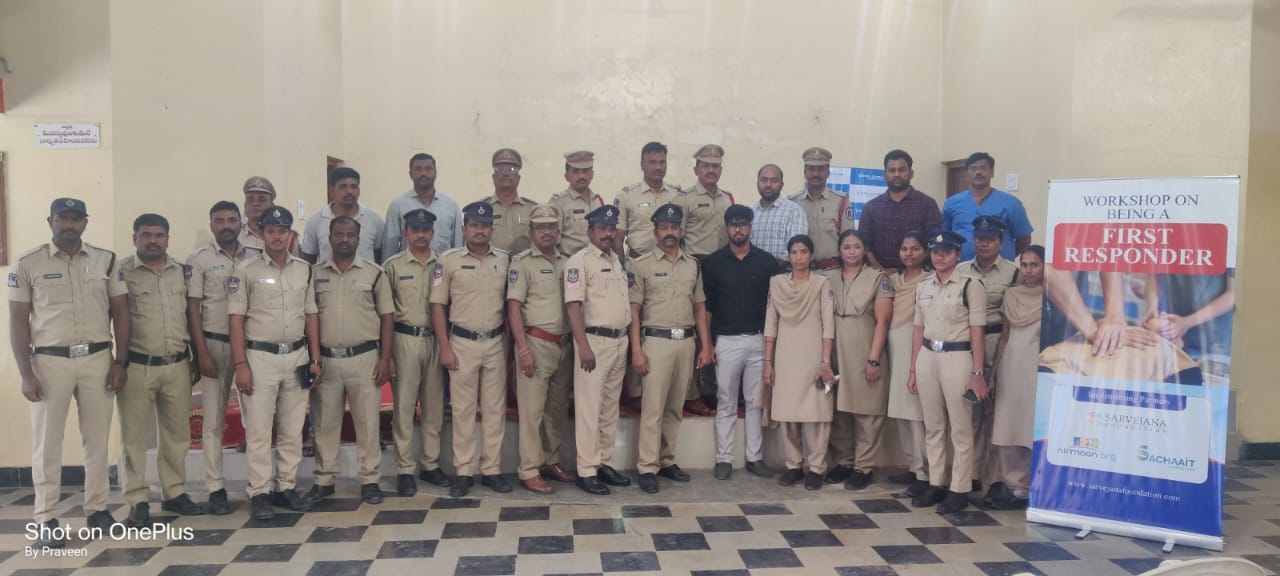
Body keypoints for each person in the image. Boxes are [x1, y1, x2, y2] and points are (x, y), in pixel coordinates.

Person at [9, 198, 129, 547]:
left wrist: (120, 361)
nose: (69, 224)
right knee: (47, 443)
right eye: (63, 217)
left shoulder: (105, 260)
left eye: (76, 219)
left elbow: (121, 313)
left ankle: (98, 509)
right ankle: (46, 517)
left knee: (98, 439)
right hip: (49, 363)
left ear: (85, 222)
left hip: (97, 359)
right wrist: (26, 373)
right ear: (50, 221)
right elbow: (18, 321)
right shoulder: (28, 262)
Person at [227, 206, 317, 520]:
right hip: (259, 358)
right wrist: (240, 364)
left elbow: (311, 315)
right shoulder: (245, 270)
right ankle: (260, 491)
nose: (277, 236)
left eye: (282, 231)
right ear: (262, 234)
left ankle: (286, 487)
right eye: (271, 231)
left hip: (296, 356)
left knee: (292, 429)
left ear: (290, 234)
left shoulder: (303, 269)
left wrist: (315, 358)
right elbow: (235, 320)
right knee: (259, 431)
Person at [118, 213, 202, 528]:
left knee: (177, 435)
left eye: (159, 235)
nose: (153, 241)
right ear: (135, 238)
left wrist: (196, 357)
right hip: (137, 365)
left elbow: (191, 316)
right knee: (134, 437)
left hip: (177, 364)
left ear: (168, 238)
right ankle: (137, 500)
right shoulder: (121, 273)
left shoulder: (181, 272)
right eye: (146, 235)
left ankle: (174, 491)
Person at [305, 217, 394, 505]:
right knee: (324, 423)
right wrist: (314, 358)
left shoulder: (375, 273)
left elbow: (387, 318)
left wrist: (385, 358)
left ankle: (369, 480)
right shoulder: (313, 274)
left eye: (350, 235)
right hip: (327, 359)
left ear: (358, 238)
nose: (344, 240)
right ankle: (324, 479)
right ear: (329, 237)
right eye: (339, 234)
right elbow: (309, 317)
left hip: (364, 358)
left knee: (367, 422)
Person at [629, 204, 713, 494]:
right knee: (652, 409)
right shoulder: (641, 265)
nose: (669, 232)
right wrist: (636, 350)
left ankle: (666, 461)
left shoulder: (692, 265)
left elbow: (699, 307)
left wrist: (705, 345)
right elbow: (634, 310)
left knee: (675, 407)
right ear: (655, 232)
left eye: (674, 227)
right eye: (664, 227)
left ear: (680, 230)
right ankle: (647, 466)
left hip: (685, 343)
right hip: (656, 342)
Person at [431, 201, 511, 497]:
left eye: (485, 226)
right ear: (464, 229)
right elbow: (437, 305)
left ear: (492, 229)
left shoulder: (504, 260)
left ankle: (492, 470)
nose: (480, 231)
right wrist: (444, 347)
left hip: (495, 343)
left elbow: (511, 305)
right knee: (463, 410)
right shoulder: (448, 261)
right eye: (474, 225)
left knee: (494, 410)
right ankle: (463, 471)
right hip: (461, 343)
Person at [906, 231, 988, 514]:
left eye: (947, 252)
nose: (940, 256)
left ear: (958, 254)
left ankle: (960, 488)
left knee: (961, 426)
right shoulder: (923, 285)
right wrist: (913, 368)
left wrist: (978, 373)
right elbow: (918, 329)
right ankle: (936, 482)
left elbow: (977, 332)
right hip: (928, 355)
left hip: (958, 356)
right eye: (936, 251)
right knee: (933, 425)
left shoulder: (970, 285)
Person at [187, 200, 260, 514]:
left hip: (252, 347)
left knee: (256, 418)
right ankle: (215, 487)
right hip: (215, 345)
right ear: (212, 224)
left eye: (232, 220)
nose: (226, 225)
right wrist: (200, 351)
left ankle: (260, 486)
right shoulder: (199, 260)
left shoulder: (257, 255)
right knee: (213, 421)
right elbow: (192, 309)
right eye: (220, 220)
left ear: (240, 223)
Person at [703, 205, 780, 480]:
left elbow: (774, 307)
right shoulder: (712, 263)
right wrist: (708, 344)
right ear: (727, 227)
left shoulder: (768, 263)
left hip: (759, 340)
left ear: (750, 227)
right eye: (734, 224)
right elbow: (706, 308)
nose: (738, 229)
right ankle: (724, 459)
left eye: (743, 224)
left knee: (755, 402)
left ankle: (754, 458)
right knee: (725, 401)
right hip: (726, 340)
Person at [507, 205, 577, 494]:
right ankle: (529, 469)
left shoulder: (568, 262)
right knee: (532, 412)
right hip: (535, 344)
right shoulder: (522, 263)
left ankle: (550, 461)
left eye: (551, 226)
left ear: (558, 231)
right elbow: (514, 308)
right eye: (540, 227)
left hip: (564, 345)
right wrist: (523, 350)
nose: (546, 232)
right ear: (531, 231)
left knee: (556, 410)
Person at [382, 208, 452, 495]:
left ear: (433, 233)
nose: (421, 235)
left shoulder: (444, 263)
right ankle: (404, 469)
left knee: (434, 407)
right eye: (415, 230)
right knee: (404, 407)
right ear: (405, 232)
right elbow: (385, 314)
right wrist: (386, 354)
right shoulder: (392, 266)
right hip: (405, 340)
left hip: (436, 340)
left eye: (426, 230)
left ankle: (431, 464)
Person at [565, 205, 633, 495]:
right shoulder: (579, 261)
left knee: (608, 409)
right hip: (593, 343)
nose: (607, 233)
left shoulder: (617, 260)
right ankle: (586, 469)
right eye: (602, 229)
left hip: (619, 342)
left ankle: (604, 462)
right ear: (590, 231)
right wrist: (583, 346)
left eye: (611, 228)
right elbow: (573, 306)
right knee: (589, 410)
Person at [763, 235, 837, 491]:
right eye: (794, 252)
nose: (798, 257)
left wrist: (825, 361)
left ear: (811, 255)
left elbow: (828, 324)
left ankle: (816, 468)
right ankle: (793, 465)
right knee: (787, 413)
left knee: (816, 413)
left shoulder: (821, 283)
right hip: (785, 356)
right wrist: (768, 361)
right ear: (788, 256)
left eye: (803, 251)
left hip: (814, 354)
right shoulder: (777, 284)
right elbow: (770, 323)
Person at [821, 230, 893, 489]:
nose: (851, 251)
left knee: (866, 411)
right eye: (847, 246)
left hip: (865, 349)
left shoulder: (878, 278)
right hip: (835, 351)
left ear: (864, 250)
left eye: (857, 246)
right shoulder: (827, 278)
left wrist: (874, 359)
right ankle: (844, 462)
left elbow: (883, 321)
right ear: (839, 250)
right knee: (839, 410)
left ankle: (864, 467)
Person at [957, 216, 1019, 496]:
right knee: (969, 413)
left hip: (997, 343)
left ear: (1001, 242)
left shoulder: (1013, 273)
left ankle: (994, 479)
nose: (984, 244)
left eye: (990, 239)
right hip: (967, 345)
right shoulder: (961, 271)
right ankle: (969, 475)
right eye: (980, 239)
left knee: (996, 412)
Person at [987, 245, 1045, 510]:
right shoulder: (1012, 294)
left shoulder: (1053, 296)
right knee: (1008, 425)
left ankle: (1035, 486)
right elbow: (1005, 336)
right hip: (1011, 366)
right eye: (1024, 265)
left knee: (1030, 426)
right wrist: (994, 372)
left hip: (1037, 368)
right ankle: (1014, 485)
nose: (1028, 270)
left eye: (1035, 265)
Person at [884, 231, 934, 497]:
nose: (909, 253)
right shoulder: (893, 281)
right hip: (894, 345)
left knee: (916, 412)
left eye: (915, 248)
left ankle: (925, 472)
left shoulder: (930, 281)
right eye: (904, 249)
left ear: (925, 252)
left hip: (917, 345)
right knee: (900, 410)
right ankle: (913, 466)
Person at [857, 149, 943, 271]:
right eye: (892, 170)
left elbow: (935, 242)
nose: (897, 174)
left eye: (902, 170)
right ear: (885, 174)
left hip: (918, 276)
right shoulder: (871, 207)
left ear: (911, 173)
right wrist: (881, 271)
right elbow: (865, 245)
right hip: (878, 275)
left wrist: (910, 272)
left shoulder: (928, 204)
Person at [942, 152, 1033, 260]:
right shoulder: (951, 203)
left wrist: (1004, 259)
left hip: (1000, 268)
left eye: (983, 168)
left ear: (992, 172)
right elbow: (946, 237)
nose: (978, 172)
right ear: (967, 174)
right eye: (973, 168)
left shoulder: (1011, 203)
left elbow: (1024, 240)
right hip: (962, 267)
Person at [383, 153, 464, 261]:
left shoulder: (451, 206)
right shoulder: (398, 205)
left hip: (443, 268)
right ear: (410, 174)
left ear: (435, 173)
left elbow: (458, 247)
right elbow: (389, 248)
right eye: (418, 169)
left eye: (428, 169)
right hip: (407, 269)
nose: (423, 173)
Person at [301, 167, 386, 264]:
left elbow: (380, 258)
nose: (349, 191)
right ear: (332, 191)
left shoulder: (374, 220)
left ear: (359, 191)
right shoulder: (316, 221)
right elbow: (308, 260)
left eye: (354, 186)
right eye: (343, 186)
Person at [616, 141, 681, 258]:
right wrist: (621, 266)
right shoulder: (626, 196)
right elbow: (617, 238)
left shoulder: (677, 195)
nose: (658, 167)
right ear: (642, 165)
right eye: (652, 162)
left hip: (671, 260)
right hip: (637, 260)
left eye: (662, 162)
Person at [788, 147, 849, 270]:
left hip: (832, 270)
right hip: (800, 271)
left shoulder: (841, 201)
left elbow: (848, 240)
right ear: (805, 172)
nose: (816, 174)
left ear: (828, 172)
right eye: (811, 169)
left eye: (821, 169)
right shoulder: (792, 203)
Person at [676, 144, 734, 258]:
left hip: (723, 262)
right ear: (696, 170)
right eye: (705, 166)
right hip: (696, 263)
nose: (711, 170)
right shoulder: (684, 198)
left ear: (721, 170)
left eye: (715, 166)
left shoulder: (727, 198)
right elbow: (676, 236)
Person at [550, 150, 606, 257]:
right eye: (576, 171)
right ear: (566, 176)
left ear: (592, 174)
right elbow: (552, 241)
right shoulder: (558, 203)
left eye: (585, 171)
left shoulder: (597, 200)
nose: (581, 176)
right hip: (570, 260)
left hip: (596, 260)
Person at [750, 164, 808, 263]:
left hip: (783, 271)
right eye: (764, 180)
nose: (768, 184)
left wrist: (770, 265)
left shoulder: (794, 211)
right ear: (757, 184)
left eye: (774, 181)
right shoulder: (751, 213)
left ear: (782, 185)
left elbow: (797, 250)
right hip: (754, 270)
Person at [486, 148, 538, 254]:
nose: (506, 173)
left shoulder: (532, 209)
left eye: (512, 169)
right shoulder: (483, 208)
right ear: (493, 177)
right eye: (500, 169)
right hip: (492, 263)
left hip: (525, 263)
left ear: (518, 178)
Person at [240, 176, 299, 254]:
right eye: (250, 199)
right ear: (245, 205)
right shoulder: (236, 233)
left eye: (262, 199)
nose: (255, 203)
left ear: (272, 205)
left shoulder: (288, 236)